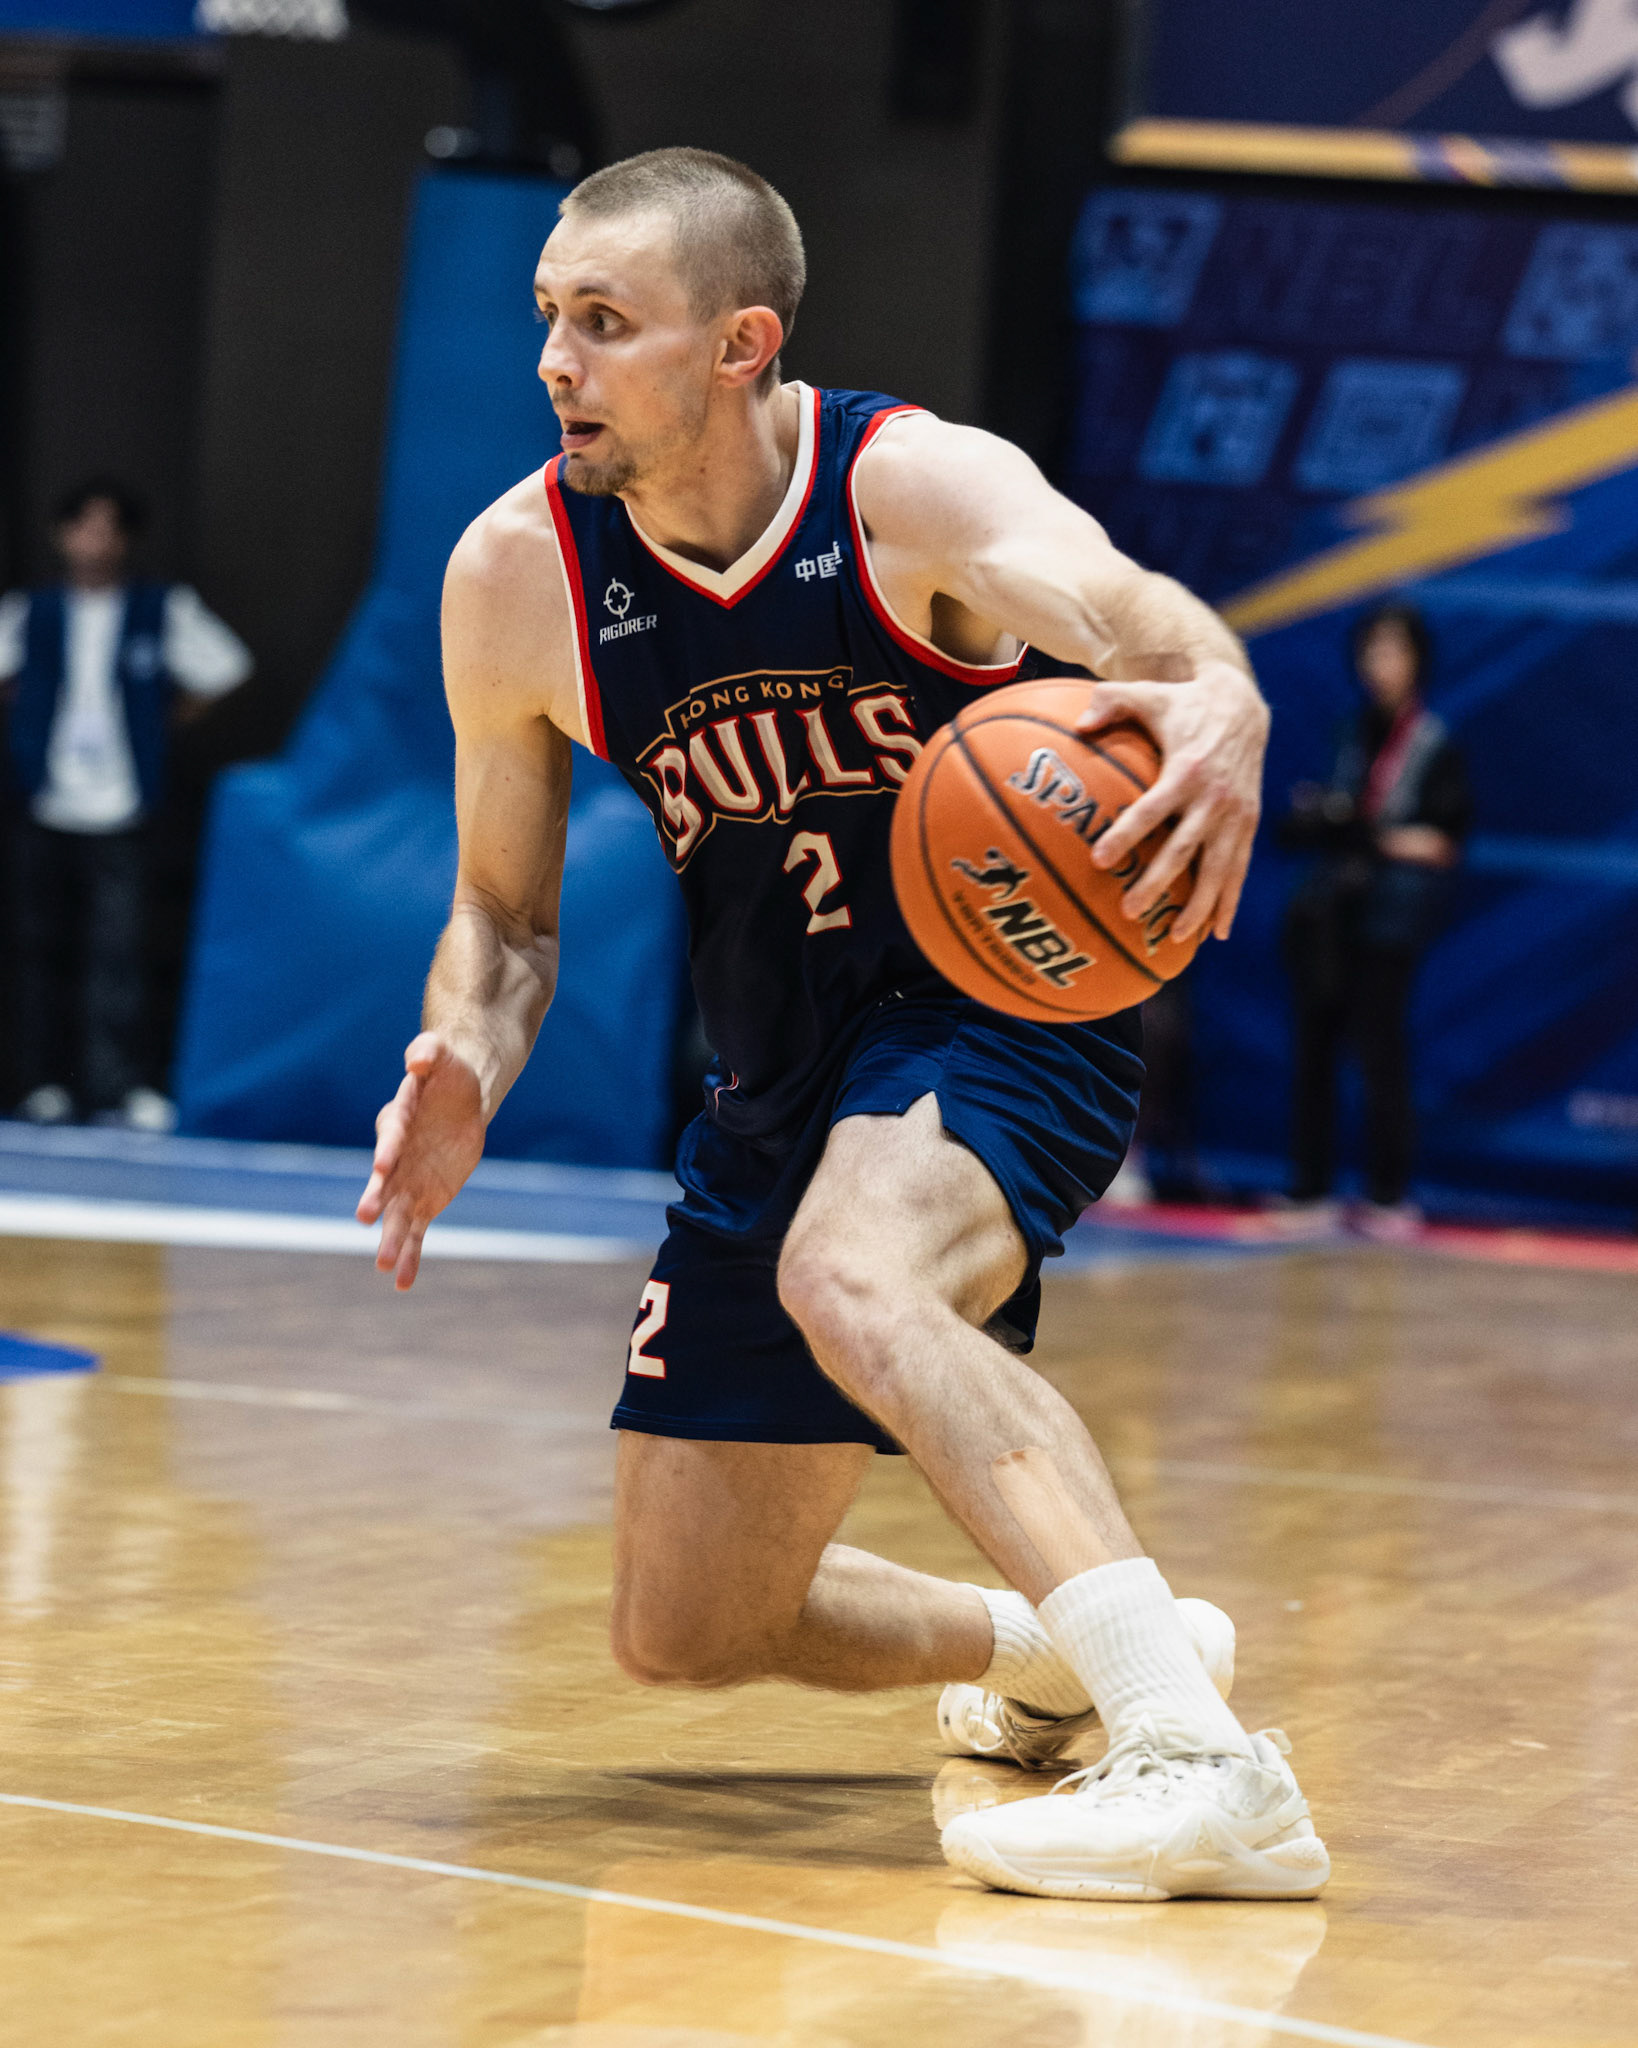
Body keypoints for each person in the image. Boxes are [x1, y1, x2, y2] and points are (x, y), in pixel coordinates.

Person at [357, 149, 1329, 1902]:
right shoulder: (516, 574)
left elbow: (1118, 604)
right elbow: (503, 918)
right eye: (547, 317)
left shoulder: (905, 488)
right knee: (686, 1623)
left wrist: (1220, 688)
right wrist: (466, 1059)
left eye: (604, 321)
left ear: (740, 342)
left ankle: (1201, 1762)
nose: (555, 359)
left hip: (997, 1000)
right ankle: (1062, 1641)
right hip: (776, 1071)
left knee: (852, 1272)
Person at [0, 478, 253, 1129]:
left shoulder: (159, 608)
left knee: (121, 951)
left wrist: (163, 720)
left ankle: (118, 1084)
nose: (96, 541)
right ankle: (44, 1082)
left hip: (123, 805)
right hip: (46, 801)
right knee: (39, 950)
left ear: (127, 539)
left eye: (110, 528)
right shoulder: (32, 611)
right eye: (84, 526)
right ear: (62, 535)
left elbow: (227, 667)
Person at [1280, 602, 1471, 1239]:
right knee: (1314, 1050)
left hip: (1389, 918)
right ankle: (1310, 1190)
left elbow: (1443, 840)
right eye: (1370, 650)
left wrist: (1370, 834)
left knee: (1380, 1050)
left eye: (1392, 650)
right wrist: (1325, 819)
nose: (1378, 663)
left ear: (1417, 660)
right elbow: (1334, 811)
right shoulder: (1349, 730)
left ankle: (1389, 1195)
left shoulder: (1432, 741)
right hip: (1332, 912)